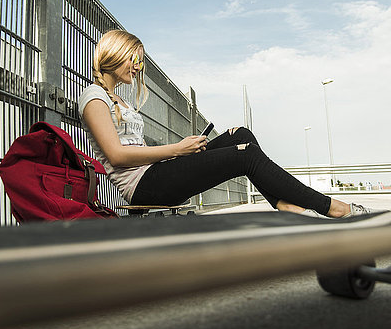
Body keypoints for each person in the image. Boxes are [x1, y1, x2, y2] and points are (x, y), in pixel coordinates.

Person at [78, 29, 379, 218]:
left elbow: (137, 150)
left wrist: (184, 150)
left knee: (241, 135)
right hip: (144, 187)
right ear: (115, 54)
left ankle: (287, 206)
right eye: (135, 59)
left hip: (157, 174)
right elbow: (116, 156)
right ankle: (332, 207)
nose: (138, 67)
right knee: (244, 154)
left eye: (141, 61)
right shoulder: (94, 98)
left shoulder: (119, 100)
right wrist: (177, 150)